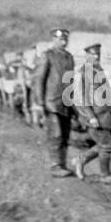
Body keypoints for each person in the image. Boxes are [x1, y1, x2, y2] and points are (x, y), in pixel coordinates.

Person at [71, 44, 111, 184]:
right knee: (107, 145)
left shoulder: (98, 70)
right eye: (93, 54)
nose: (96, 57)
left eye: (98, 54)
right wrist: (91, 117)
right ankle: (105, 176)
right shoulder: (82, 73)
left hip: (104, 115)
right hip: (95, 116)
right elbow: (79, 98)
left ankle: (80, 160)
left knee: (105, 144)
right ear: (86, 56)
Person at [29, 28, 77, 176]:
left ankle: (62, 164)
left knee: (65, 135)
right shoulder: (47, 56)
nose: (63, 41)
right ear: (53, 40)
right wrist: (40, 101)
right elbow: (38, 80)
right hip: (51, 101)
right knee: (55, 134)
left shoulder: (69, 57)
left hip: (66, 102)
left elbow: (70, 81)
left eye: (65, 39)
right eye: (60, 39)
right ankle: (55, 166)